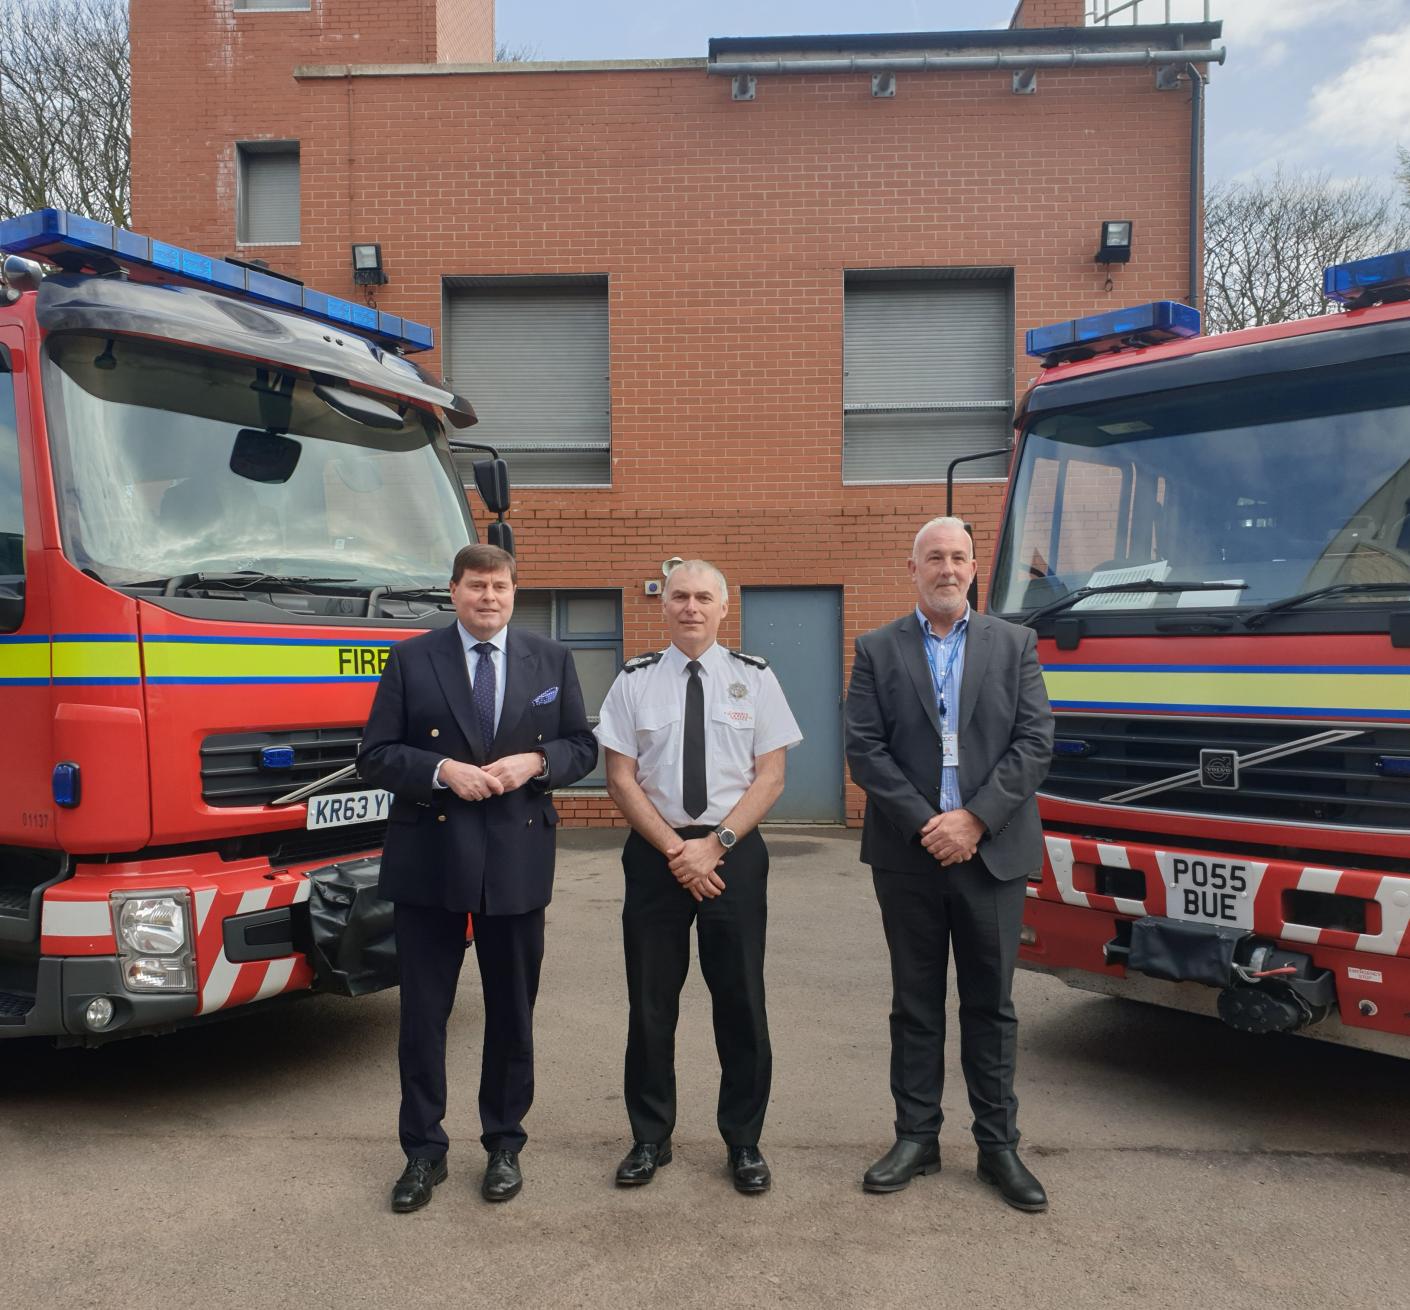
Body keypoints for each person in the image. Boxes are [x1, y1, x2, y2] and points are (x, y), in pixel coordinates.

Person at [358, 542, 597, 1213]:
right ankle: (423, 1153)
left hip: (516, 863)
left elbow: (583, 745)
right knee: (423, 1018)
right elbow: (374, 755)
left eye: (499, 587)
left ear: (514, 593)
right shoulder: (411, 659)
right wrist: (441, 772)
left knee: (511, 1014)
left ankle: (504, 1144)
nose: (488, 598)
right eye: (475, 586)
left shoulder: (551, 660)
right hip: (430, 861)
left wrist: (537, 764)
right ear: (454, 591)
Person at [844, 516, 1054, 1212]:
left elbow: (1034, 741)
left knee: (991, 1005)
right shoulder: (876, 649)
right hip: (909, 856)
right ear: (913, 569)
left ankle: (999, 1147)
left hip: (991, 854)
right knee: (915, 1003)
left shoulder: (1015, 644)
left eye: (959, 557)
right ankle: (917, 1138)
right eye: (934, 557)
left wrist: (974, 819)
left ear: (973, 569)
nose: (947, 567)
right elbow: (866, 750)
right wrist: (930, 825)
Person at [594, 560, 802, 1193]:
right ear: (664, 607)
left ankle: (744, 1142)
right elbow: (620, 777)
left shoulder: (755, 679)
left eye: (703, 597)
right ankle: (649, 1138)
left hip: (733, 852)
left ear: (723, 606)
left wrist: (715, 845)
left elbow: (771, 775)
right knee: (651, 1004)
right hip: (656, 857)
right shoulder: (633, 682)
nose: (690, 607)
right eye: (680, 596)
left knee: (740, 1001)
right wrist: (676, 850)